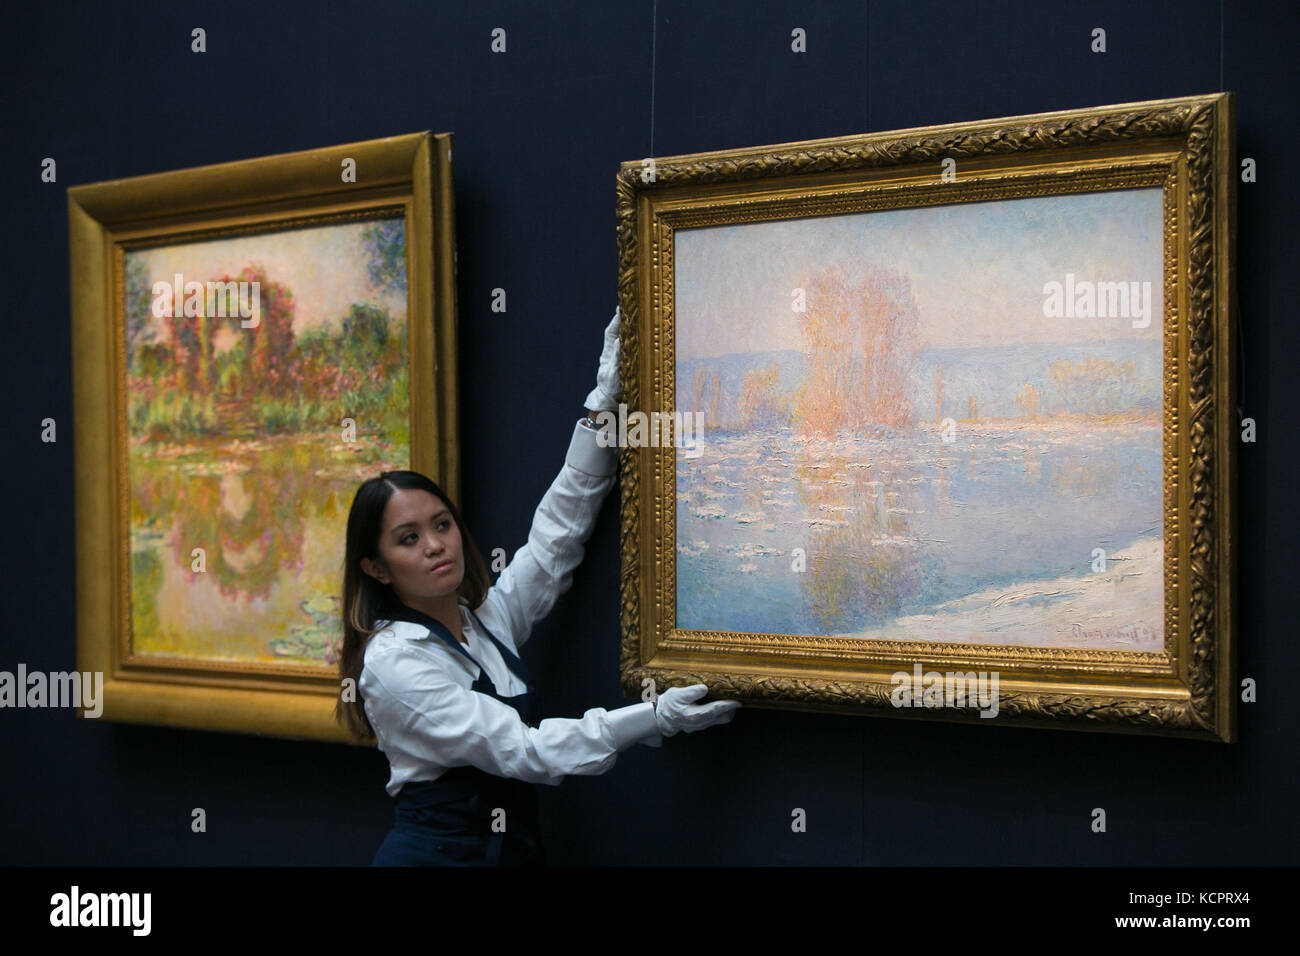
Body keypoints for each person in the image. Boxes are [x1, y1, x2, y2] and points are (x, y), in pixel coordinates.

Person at [334, 308, 741, 866]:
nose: (435, 545)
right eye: (408, 539)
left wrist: (602, 408)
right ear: (376, 568)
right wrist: (655, 717)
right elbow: (524, 750)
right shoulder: (393, 662)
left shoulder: (483, 620)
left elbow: (553, 542)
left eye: (442, 524)